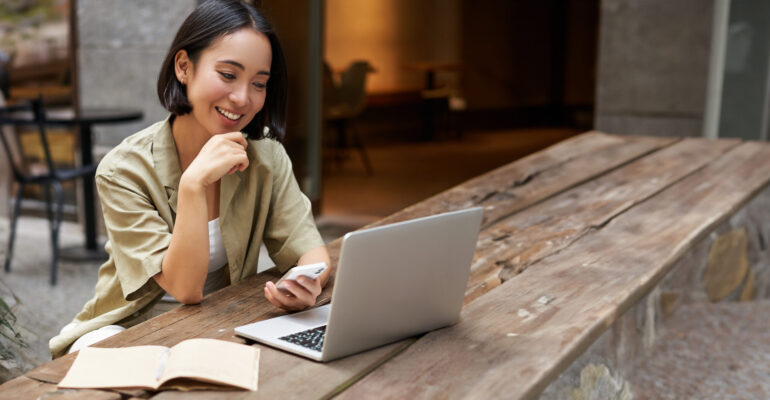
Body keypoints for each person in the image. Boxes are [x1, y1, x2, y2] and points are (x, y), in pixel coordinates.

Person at [49, 0, 330, 358]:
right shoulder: (124, 169)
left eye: (259, 83)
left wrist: (307, 283)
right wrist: (193, 184)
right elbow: (184, 287)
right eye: (228, 75)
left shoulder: (265, 158)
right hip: (128, 330)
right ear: (184, 67)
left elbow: (308, 248)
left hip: (217, 325)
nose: (242, 98)